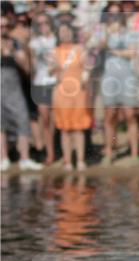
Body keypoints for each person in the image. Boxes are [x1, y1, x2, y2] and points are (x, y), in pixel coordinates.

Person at [99, 11, 139, 165]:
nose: (115, 19)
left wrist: (114, 51)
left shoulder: (131, 34)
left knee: (131, 115)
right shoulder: (104, 33)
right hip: (109, 78)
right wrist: (107, 33)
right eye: (112, 17)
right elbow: (100, 45)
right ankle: (109, 152)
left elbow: (132, 53)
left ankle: (134, 153)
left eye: (117, 16)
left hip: (128, 78)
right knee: (110, 116)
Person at [1, 14, 42, 171]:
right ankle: (3, 158)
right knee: (0, 124)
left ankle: (24, 158)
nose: (4, 29)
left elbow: (27, 69)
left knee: (23, 119)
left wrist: (15, 54)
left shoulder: (15, 43)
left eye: (6, 26)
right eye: (1, 26)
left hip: (14, 88)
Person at [51, 22, 91, 171]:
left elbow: (87, 67)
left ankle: (80, 160)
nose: (65, 34)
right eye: (62, 31)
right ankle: (67, 161)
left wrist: (86, 74)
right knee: (65, 129)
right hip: (61, 92)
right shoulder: (54, 51)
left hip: (79, 92)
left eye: (67, 31)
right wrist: (54, 67)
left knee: (79, 128)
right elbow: (51, 72)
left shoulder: (80, 49)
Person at [27, 12, 57, 166]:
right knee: (45, 119)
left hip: (56, 82)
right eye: (40, 24)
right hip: (40, 82)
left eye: (46, 22)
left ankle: (56, 150)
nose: (43, 26)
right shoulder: (34, 43)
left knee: (55, 120)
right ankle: (49, 154)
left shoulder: (57, 39)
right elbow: (32, 64)